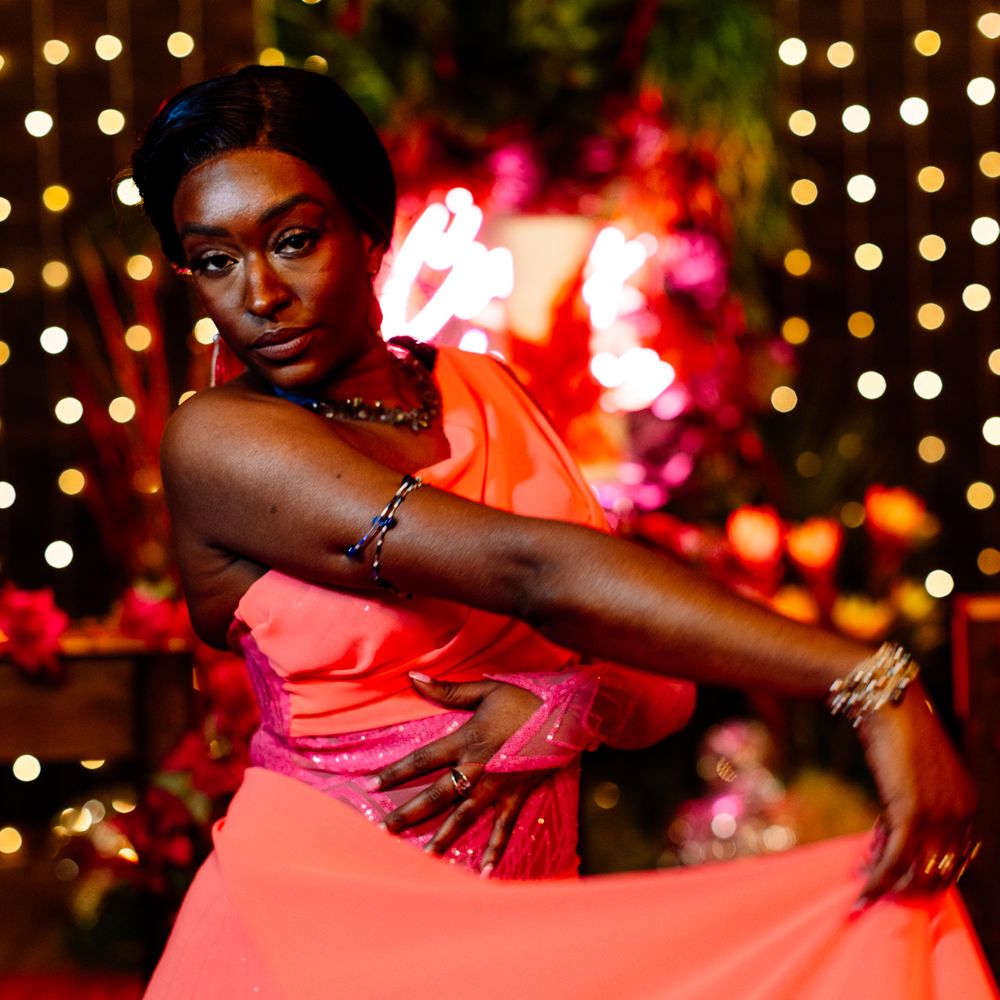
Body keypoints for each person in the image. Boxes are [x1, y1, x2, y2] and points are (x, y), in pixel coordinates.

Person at [131, 65, 996, 998]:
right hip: (311, 939)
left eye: (294, 240)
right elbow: (534, 573)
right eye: (213, 259)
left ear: (371, 230)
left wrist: (561, 706)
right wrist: (870, 682)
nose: (259, 292)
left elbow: (660, 688)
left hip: (524, 941)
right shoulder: (220, 441)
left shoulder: (485, 391)